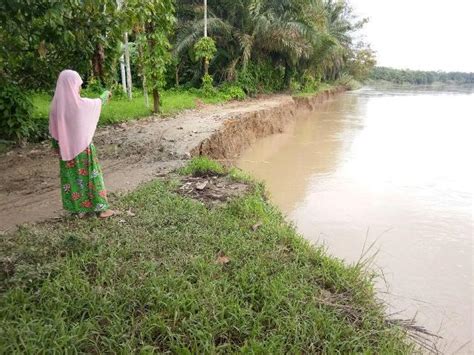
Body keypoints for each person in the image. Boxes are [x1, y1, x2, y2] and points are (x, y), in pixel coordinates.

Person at [49, 69, 114, 218]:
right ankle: (101, 209)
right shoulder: (80, 105)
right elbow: (98, 103)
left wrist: (56, 147)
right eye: (78, 84)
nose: (79, 88)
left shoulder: (55, 107)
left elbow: (54, 131)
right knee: (92, 177)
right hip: (84, 150)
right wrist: (106, 94)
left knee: (72, 180)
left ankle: (78, 210)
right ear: (72, 85)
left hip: (65, 151)